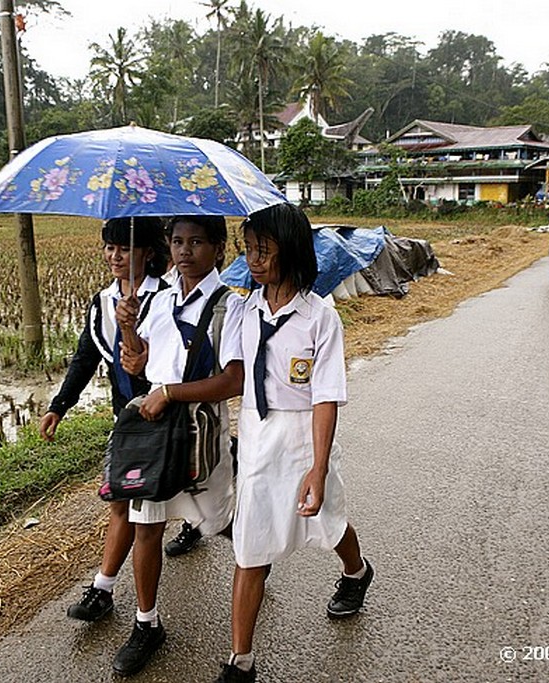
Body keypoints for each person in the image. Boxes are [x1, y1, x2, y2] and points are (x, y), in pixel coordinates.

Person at [142, 203, 372, 683]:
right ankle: (241, 660)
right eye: (248, 250)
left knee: (328, 520)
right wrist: (141, 353)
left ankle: (356, 571)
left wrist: (318, 467)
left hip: (303, 437)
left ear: (289, 251)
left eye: (263, 250)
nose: (253, 259)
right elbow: (230, 377)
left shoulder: (319, 317)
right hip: (255, 436)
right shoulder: (244, 311)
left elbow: (326, 397)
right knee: (250, 548)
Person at [110, 214, 243, 677]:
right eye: (178, 241)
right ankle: (146, 624)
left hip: (199, 437)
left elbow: (233, 379)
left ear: (219, 248)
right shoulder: (158, 300)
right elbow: (138, 367)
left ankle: (255, 565)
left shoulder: (231, 307)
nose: (185, 251)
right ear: (167, 245)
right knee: (147, 526)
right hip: (154, 435)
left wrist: (170, 392)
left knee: (220, 521)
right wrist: (128, 328)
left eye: (197, 242)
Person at [38, 216, 171, 623]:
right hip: (126, 418)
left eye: (123, 247)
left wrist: (135, 333)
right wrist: (59, 405)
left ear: (147, 252)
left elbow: (169, 363)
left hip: (166, 416)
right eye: (108, 247)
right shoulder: (103, 303)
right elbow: (86, 357)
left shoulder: (167, 298)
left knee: (201, 507)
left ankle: (251, 552)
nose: (114, 255)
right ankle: (104, 588)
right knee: (122, 501)